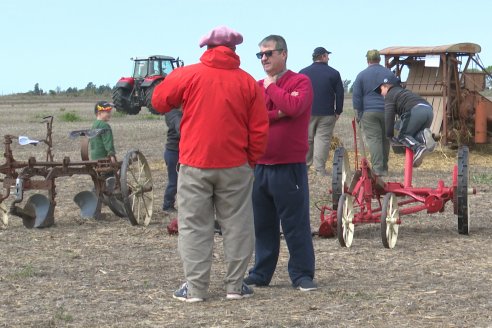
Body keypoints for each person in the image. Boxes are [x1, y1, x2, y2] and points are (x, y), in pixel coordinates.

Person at [151, 25, 269, 302]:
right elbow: (260, 129)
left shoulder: (188, 74)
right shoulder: (248, 82)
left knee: (194, 225)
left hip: (195, 162)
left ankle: (195, 289)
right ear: (234, 50)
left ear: (207, 48)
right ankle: (235, 286)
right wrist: (250, 160)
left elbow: (158, 101)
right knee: (238, 224)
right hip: (236, 164)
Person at [244, 35, 317, 292]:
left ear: (283, 54)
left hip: (289, 166)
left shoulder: (300, 81)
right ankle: (261, 273)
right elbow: (253, 117)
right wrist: (277, 113)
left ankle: (302, 275)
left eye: (268, 53)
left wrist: (272, 88)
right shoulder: (255, 86)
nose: (263, 58)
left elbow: (294, 106)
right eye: (260, 55)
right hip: (260, 166)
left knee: (295, 224)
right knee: (263, 224)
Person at [299, 46, 344, 176]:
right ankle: (319, 169)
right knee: (322, 140)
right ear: (323, 56)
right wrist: (338, 111)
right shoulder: (334, 73)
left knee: (307, 139)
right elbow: (340, 94)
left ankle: (304, 168)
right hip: (327, 113)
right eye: (327, 55)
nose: (328, 58)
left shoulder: (303, 72)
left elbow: (298, 92)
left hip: (306, 112)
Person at [375, 74, 436, 167]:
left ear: (386, 86)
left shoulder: (390, 95)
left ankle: (418, 148)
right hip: (428, 110)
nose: (381, 94)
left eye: (381, 90)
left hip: (415, 111)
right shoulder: (403, 92)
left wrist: (389, 135)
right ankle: (424, 136)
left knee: (403, 136)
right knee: (413, 135)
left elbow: (389, 116)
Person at [352, 49, 394, 176]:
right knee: (385, 139)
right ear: (379, 59)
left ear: (367, 60)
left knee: (374, 139)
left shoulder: (361, 75)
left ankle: (378, 169)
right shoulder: (389, 74)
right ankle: (384, 167)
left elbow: (357, 96)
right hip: (387, 110)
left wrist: (358, 114)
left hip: (369, 112)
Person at [162, 108, 182, 212]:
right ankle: (167, 205)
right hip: (174, 151)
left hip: (177, 151)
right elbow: (180, 129)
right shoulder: (174, 114)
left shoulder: (176, 113)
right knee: (174, 180)